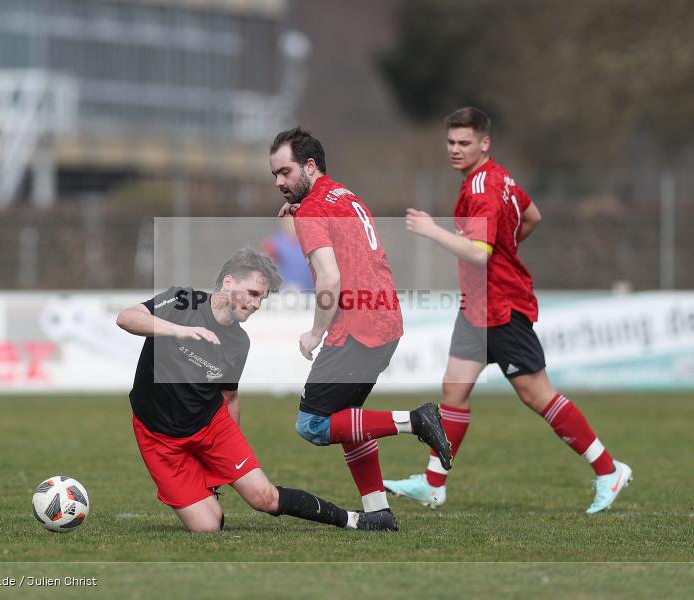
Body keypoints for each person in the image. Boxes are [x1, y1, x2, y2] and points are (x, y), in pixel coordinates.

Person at [383, 107, 632, 514]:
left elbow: (479, 254)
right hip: (477, 307)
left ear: (485, 143)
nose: (455, 149)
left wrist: (433, 231)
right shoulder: (499, 178)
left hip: (501, 306)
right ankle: (432, 484)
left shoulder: (483, 188)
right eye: (451, 142)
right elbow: (532, 216)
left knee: (537, 395)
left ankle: (609, 470)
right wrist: (506, 248)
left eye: (465, 142)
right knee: (454, 390)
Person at [117, 247, 396, 532]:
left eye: (262, 298)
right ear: (228, 282)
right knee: (208, 527)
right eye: (252, 293)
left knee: (264, 498)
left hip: (211, 426)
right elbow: (126, 318)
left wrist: (224, 461)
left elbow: (229, 397)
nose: (256, 304)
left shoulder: (239, 343)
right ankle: (202, 491)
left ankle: (355, 520)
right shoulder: (182, 301)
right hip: (158, 437)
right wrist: (179, 330)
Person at [269, 127, 453, 529]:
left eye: (285, 172)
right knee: (346, 418)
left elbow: (329, 278)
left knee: (313, 425)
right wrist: (300, 209)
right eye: (275, 175)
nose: (279, 182)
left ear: (310, 166)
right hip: (385, 319)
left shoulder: (314, 209)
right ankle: (378, 512)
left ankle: (416, 421)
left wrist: (315, 333)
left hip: (356, 328)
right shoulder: (345, 196)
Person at [260, 214, 314, 291]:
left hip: (310, 291)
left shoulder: (311, 242)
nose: (293, 225)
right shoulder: (274, 243)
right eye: (289, 221)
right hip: (286, 291)